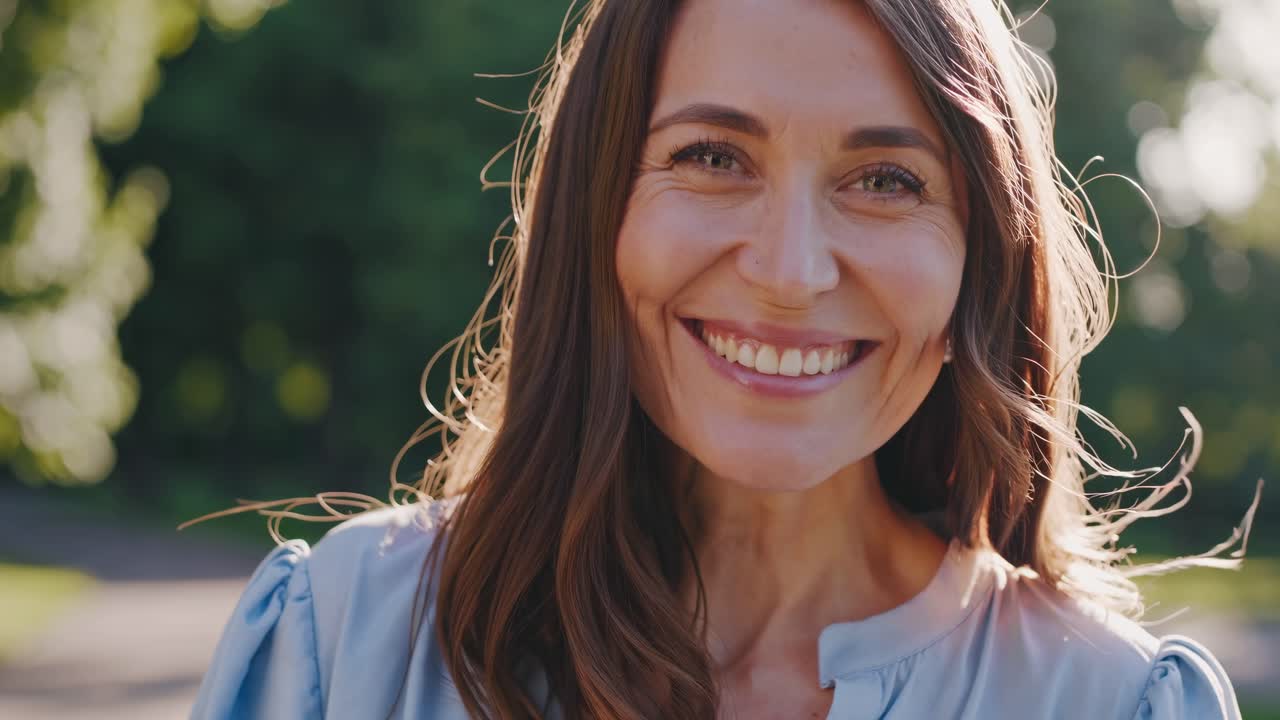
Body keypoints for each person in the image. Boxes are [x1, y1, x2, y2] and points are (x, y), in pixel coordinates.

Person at [189, 0, 1258, 718]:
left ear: (981, 255)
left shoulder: (1101, 705)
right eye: (709, 158)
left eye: (884, 179)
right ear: (594, 214)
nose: (790, 271)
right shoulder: (345, 642)